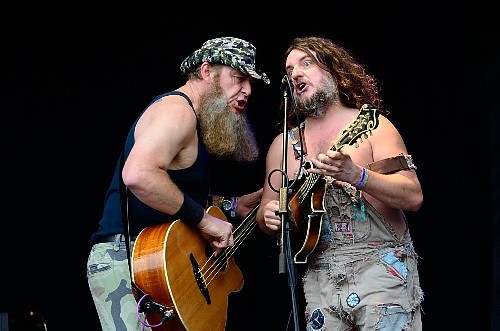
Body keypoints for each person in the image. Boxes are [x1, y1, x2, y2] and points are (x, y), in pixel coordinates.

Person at [87, 36, 269, 331]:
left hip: (159, 263)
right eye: (238, 78)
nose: (247, 90)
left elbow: (173, 191)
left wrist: (232, 206)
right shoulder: (178, 111)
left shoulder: (193, 118)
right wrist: (207, 224)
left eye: (251, 82)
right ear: (207, 72)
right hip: (128, 260)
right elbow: (139, 174)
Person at [256, 36, 424, 330]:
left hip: (381, 271)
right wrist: (267, 216)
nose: (295, 73)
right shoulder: (283, 146)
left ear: (333, 71)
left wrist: (357, 175)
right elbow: (264, 212)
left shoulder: (373, 126)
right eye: (289, 69)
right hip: (319, 281)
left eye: (306, 63)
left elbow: (413, 196)